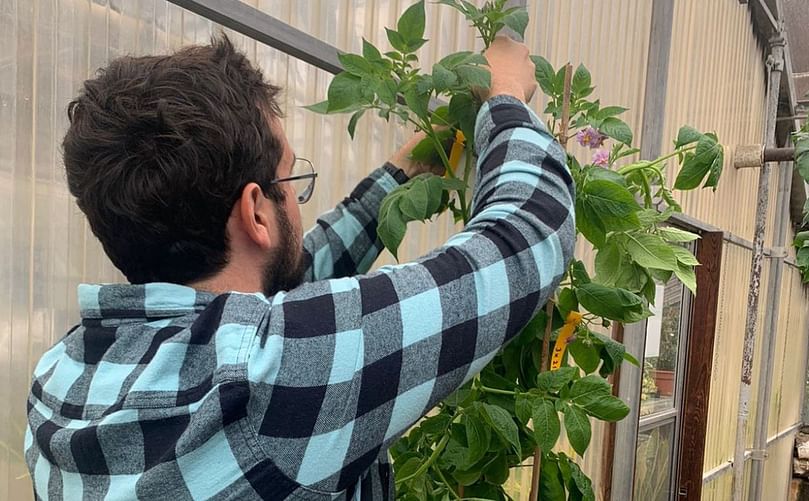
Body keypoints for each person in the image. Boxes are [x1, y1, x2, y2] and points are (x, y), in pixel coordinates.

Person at [24, 33, 575, 500]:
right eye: (290, 180)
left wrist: (407, 167)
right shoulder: (272, 381)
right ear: (255, 213)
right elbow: (527, 234)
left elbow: (283, 280)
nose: (297, 199)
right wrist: (506, 97)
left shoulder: (58, 380)